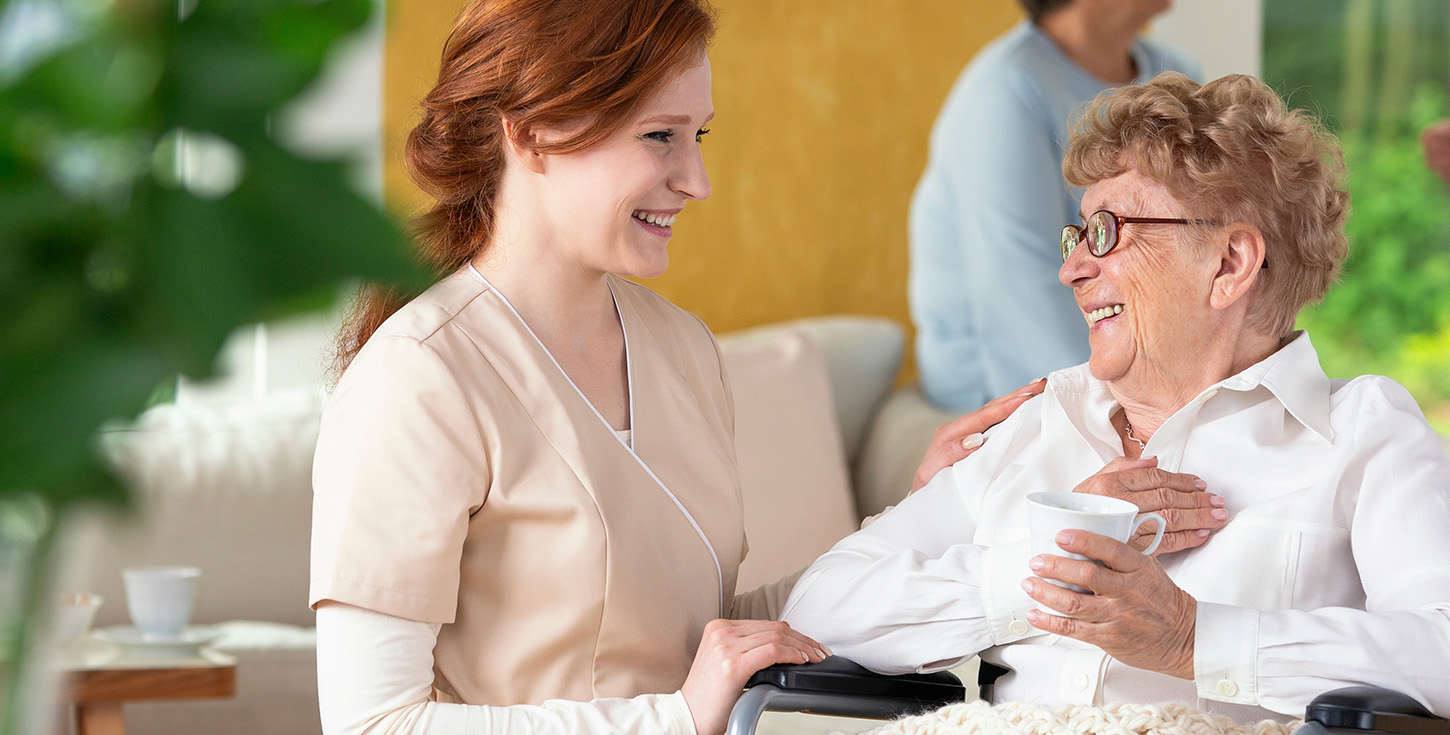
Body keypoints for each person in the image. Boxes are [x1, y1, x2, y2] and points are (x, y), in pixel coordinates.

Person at [307, 2, 1040, 734]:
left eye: (699, 136)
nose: (697, 179)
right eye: (660, 136)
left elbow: (710, 641)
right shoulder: (419, 378)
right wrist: (676, 717)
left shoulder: (681, 348)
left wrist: (917, 520)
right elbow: (374, 722)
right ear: (531, 134)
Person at [784, 72, 1450, 722]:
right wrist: (1050, 566)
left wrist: (1195, 640)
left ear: (1229, 263)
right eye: (1078, 235)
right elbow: (818, 606)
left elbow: (1443, 650)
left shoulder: (1363, 429)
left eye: (1107, 231)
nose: (1071, 268)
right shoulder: (1036, 424)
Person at [910, 0, 1198, 412]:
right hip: (1006, 400)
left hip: (1145, 383)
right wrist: (1131, 417)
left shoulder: (1174, 74)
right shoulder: (1007, 88)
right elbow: (1021, 307)